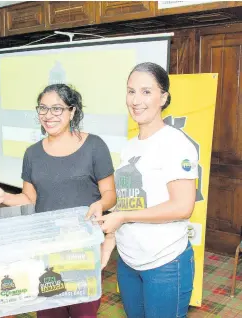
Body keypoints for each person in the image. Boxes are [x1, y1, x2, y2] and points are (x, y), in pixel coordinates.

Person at [0, 83, 117, 318]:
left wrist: (100, 205)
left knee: (84, 312)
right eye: (43, 108)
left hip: (83, 248)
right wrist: (4, 197)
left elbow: (110, 195)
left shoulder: (95, 146)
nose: (48, 115)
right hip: (46, 249)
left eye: (57, 109)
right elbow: (29, 198)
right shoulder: (32, 153)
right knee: (50, 312)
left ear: (72, 111)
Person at [91, 62, 198, 318]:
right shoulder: (130, 147)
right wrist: (110, 235)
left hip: (165, 262)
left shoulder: (175, 143)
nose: (136, 100)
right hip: (129, 261)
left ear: (164, 97)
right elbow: (128, 202)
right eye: (131, 91)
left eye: (146, 92)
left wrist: (123, 217)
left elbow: (183, 207)